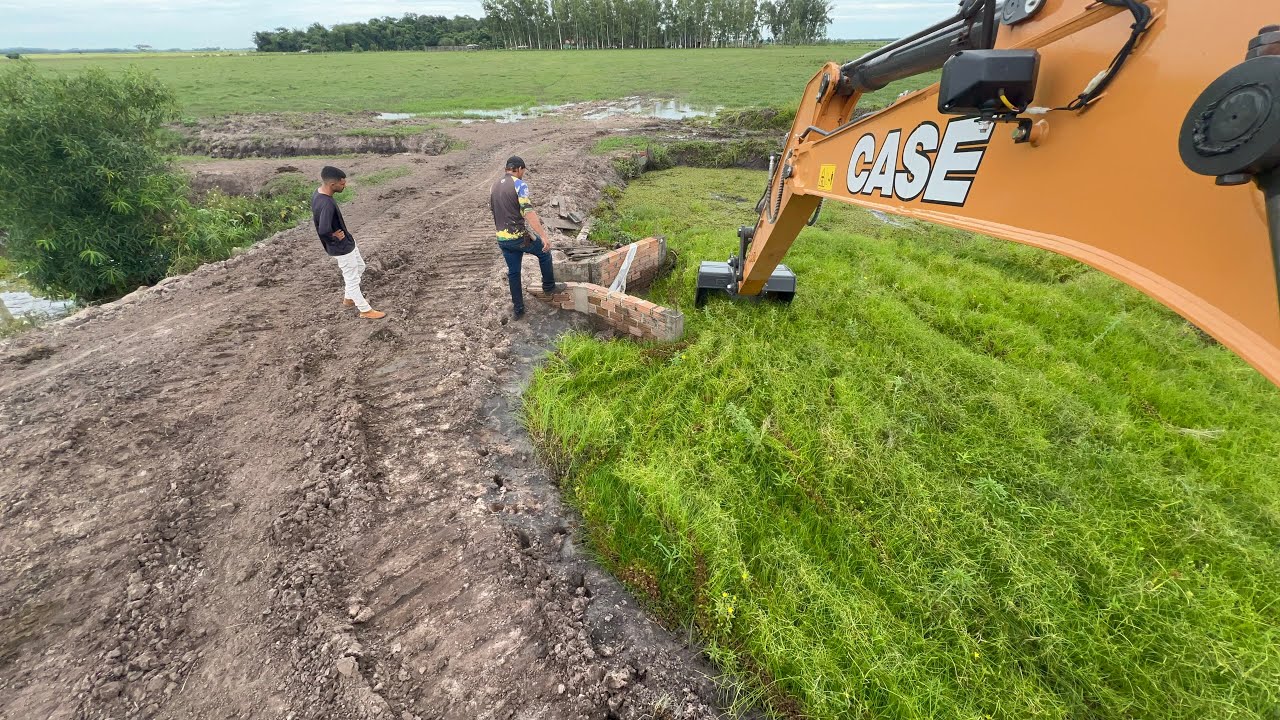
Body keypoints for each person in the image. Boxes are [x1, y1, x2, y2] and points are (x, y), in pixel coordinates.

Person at [490, 155, 563, 320]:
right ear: (518, 169)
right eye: (523, 171)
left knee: (513, 272)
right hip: (518, 237)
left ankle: (519, 310)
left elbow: (494, 210)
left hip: (502, 239)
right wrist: (543, 236)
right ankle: (549, 288)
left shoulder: (494, 186)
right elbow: (528, 212)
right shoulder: (519, 184)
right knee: (544, 252)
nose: (523, 174)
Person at [312, 166, 385, 320]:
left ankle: (349, 298)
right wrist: (334, 237)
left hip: (346, 243)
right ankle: (365, 310)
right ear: (332, 184)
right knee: (352, 278)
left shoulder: (318, 194)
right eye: (342, 184)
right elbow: (323, 230)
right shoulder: (327, 203)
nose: (344, 186)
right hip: (341, 248)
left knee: (360, 266)